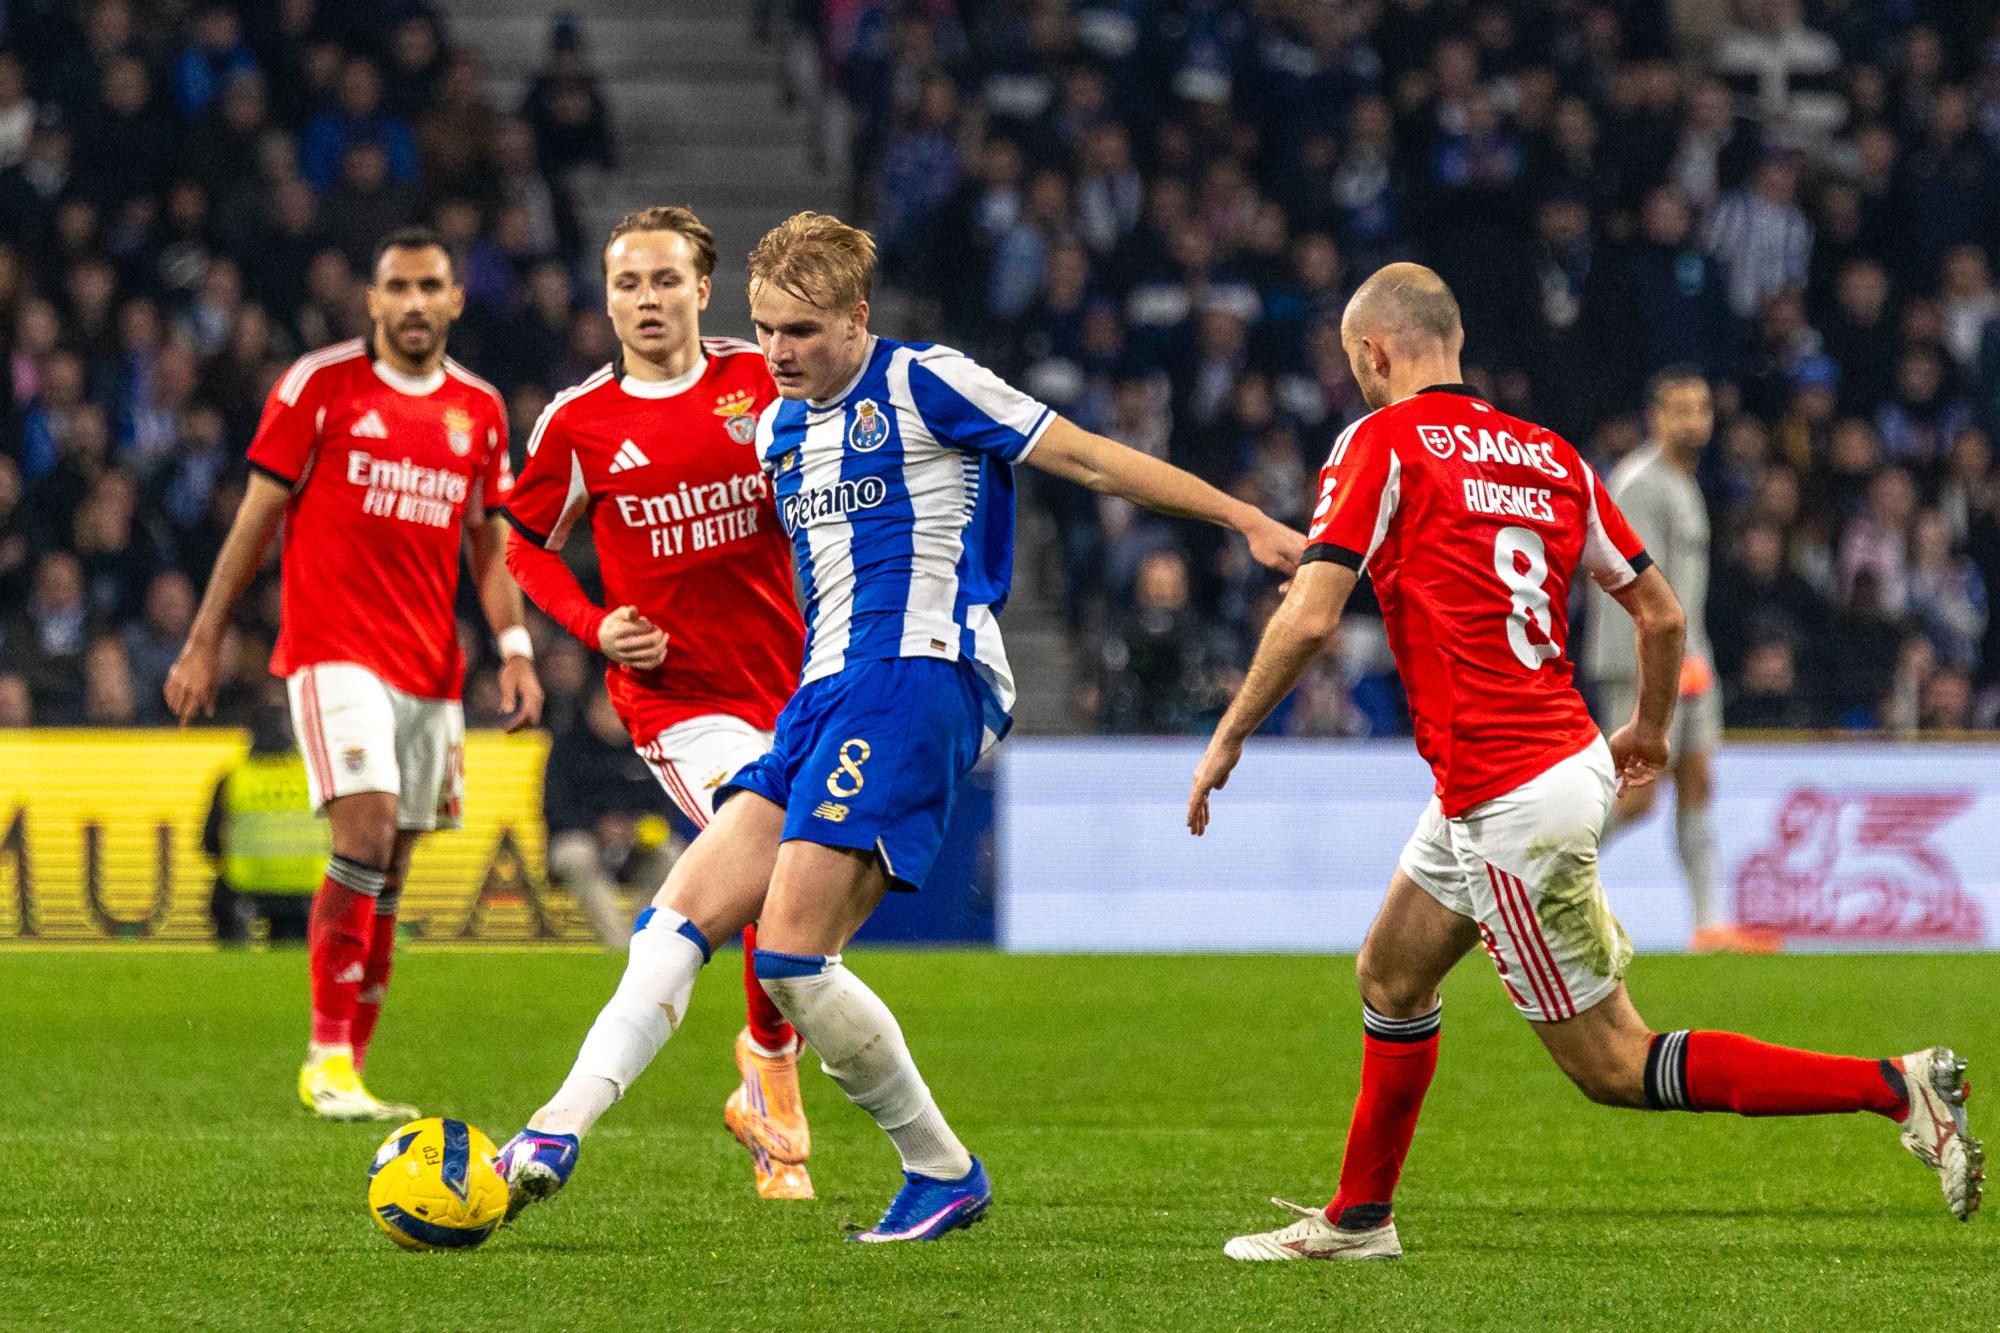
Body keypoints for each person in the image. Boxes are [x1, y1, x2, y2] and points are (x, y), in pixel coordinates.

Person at [494, 211, 1304, 1240]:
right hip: (817, 696)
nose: (777, 354)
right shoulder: (775, 428)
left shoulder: (930, 382)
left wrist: (1246, 521)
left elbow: (1094, 460)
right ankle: (554, 1131)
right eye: (768, 329)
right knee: (678, 915)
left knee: (787, 955)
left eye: (800, 332)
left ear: (856, 320)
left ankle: (938, 1168)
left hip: (923, 675)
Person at [1189, 264, 1980, 1261]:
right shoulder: (1547, 454)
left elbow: (1308, 616)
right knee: (1390, 972)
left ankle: (1891, 1083)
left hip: (1508, 791)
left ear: (1369, 353)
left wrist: (1227, 735)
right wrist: (1648, 727)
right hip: (1544, 759)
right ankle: (1359, 1217)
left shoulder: (1376, 442)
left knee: (1611, 1063)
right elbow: (1660, 612)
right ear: (1457, 339)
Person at [165, 226, 545, 1121]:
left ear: (456, 299)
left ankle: (350, 1070)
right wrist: (204, 636)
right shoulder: (319, 387)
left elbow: (491, 546)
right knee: (365, 833)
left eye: (431, 287)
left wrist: (516, 647)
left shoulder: (480, 410)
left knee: (392, 869)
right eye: (397, 287)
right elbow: (256, 518)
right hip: (334, 651)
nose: (414, 303)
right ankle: (325, 1056)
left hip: (432, 669)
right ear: (371, 300)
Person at [500, 205, 815, 1199]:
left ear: (701, 289)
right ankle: (769, 1078)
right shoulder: (579, 421)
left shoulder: (758, 382)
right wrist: (592, 626)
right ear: (607, 298)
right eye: (627, 283)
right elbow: (521, 544)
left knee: (800, 901)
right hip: (676, 701)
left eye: (664, 280)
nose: (645, 299)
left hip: (794, 681)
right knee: (760, 849)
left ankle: (765, 1063)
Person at [1584, 368, 1776, 953]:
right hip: (1650, 663)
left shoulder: (1679, 481)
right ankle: (1541, 872)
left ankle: (1710, 923)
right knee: (1638, 794)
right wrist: (1665, 662)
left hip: (1690, 659)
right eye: (1680, 409)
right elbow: (1631, 586)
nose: (1694, 420)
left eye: (1702, 408)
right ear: (1656, 417)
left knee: (1697, 780)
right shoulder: (1641, 482)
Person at [205, 689, 328, 945]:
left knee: (220, 901)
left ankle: (235, 949)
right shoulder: (314, 776)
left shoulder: (234, 778)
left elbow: (209, 843)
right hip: (307, 890)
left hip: (246, 891)